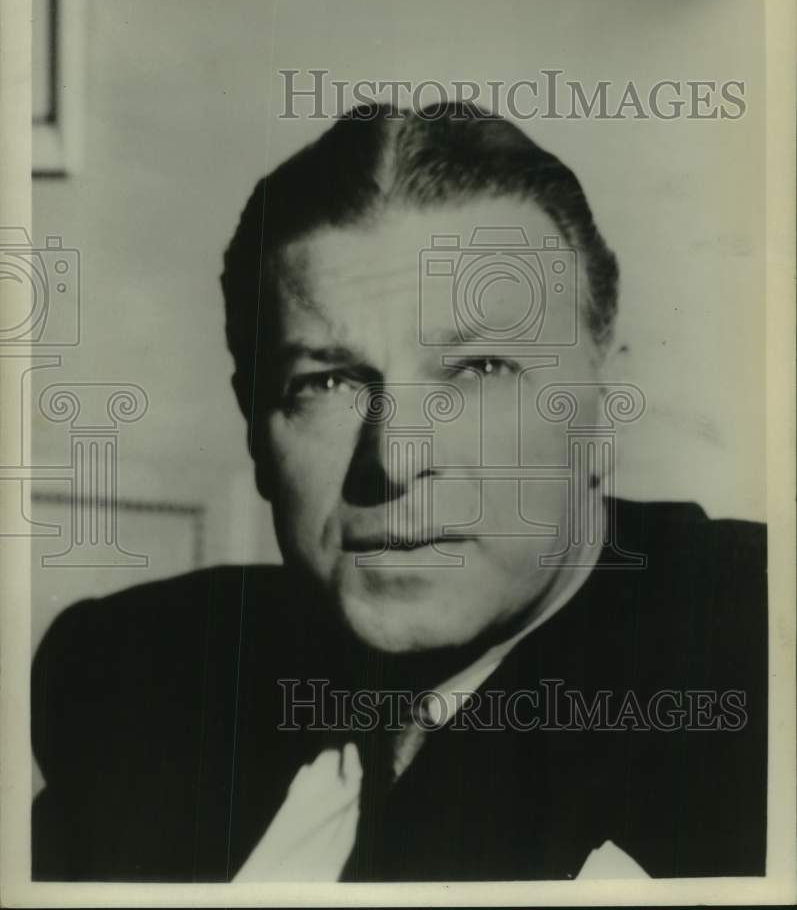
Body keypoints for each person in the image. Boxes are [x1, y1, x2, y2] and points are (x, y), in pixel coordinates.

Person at [31, 103, 767, 882]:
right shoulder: (136, 674)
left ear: (603, 403)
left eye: (479, 370)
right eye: (327, 381)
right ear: (255, 425)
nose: (392, 458)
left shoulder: (744, 664)